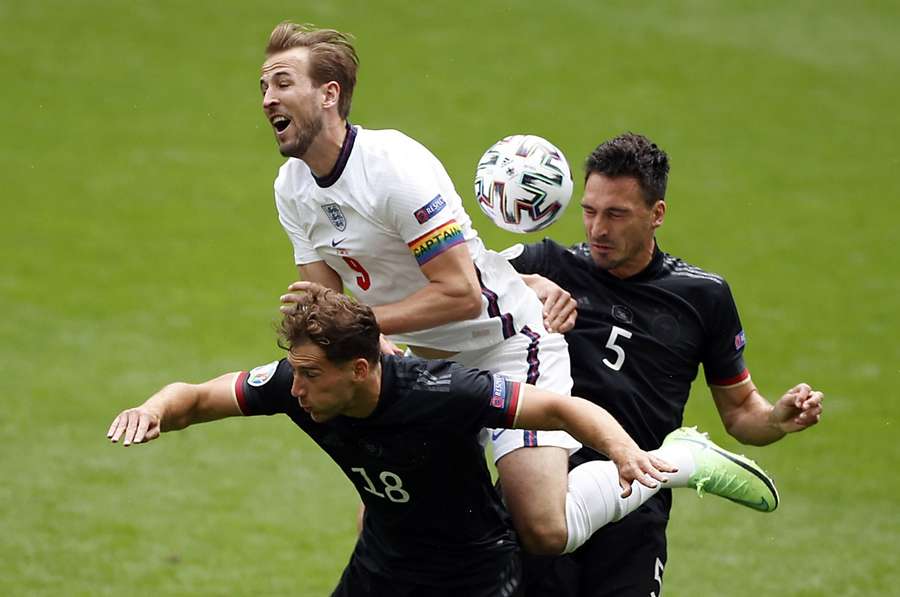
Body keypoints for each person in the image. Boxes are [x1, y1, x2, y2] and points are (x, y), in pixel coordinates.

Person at [107, 286, 783, 596]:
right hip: (381, 568)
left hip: (471, 576)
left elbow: (557, 406)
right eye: (298, 373)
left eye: (314, 375)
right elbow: (195, 397)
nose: (299, 389)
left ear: (362, 369)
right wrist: (151, 409)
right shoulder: (296, 383)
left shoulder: (444, 391)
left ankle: (678, 458)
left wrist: (629, 453)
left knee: (547, 526)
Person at [260, 21, 641, 556]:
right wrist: (343, 336)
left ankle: (668, 465)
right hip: (427, 365)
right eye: (264, 88)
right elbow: (332, 311)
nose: (268, 98)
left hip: (506, 345)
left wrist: (362, 326)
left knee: (544, 529)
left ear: (329, 95)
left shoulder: (393, 167)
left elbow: (461, 293)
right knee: (386, 529)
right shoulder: (291, 188)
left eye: (281, 82)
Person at [508, 132, 825, 597]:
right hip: (542, 487)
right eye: (590, 210)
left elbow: (740, 413)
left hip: (637, 505)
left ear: (657, 214)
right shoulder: (549, 263)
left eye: (616, 214)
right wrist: (531, 283)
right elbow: (461, 276)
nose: (598, 229)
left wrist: (776, 419)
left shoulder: (703, 297)